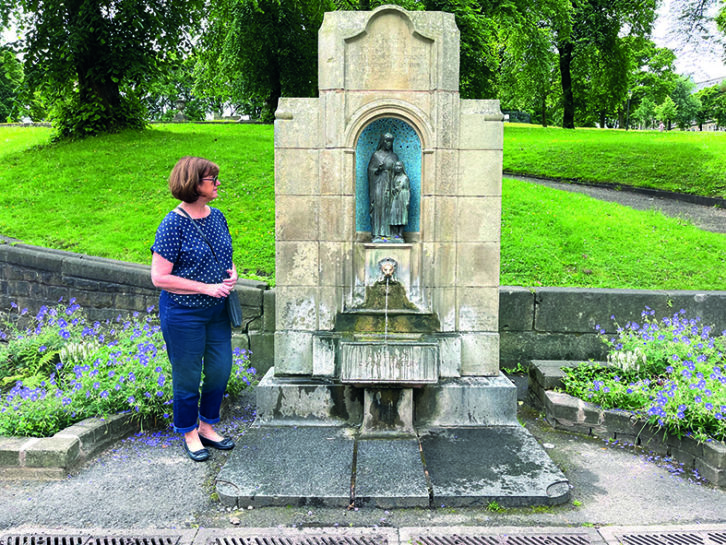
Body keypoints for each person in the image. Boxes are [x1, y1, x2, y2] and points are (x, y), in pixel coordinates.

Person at [150, 156, 238, 462]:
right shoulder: (173, 224)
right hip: (183, 313)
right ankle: (188, 431)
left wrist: (232, 273)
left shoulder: (217, 217)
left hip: (217, 312)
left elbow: (225, 253)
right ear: (194, 184)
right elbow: (159, 277)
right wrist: (206, 287)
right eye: (212, 180)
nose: (217, 185)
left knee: (220, 369)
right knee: (187, 375)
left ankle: (207, 426)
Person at [367, 132, 399, 242]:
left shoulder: (394, 156)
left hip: (390, 185)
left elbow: (398, 170)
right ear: (382, 141)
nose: (388, 143)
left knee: (390, 208)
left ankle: (389, 233)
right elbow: (371, 171)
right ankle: (377, 233)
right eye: (386, 140)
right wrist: (377, 170)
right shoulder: (376, 155)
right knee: (378, 207)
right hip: (379, 184)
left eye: (390, 141)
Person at [389, 161, 410, 240]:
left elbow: (407, 189)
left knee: (402, 215)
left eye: (399, 166)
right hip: (396, 198)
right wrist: (393, 190)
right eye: (396, 166)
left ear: (402, 167)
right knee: (393, 214)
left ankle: (400, 234)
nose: (398, 168)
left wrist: (407, 200)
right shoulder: (395, 177)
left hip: (403, 197)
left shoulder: (405, 178)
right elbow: (393, 188)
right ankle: (395, 233)